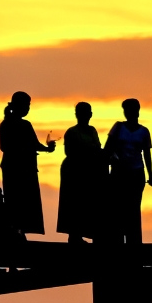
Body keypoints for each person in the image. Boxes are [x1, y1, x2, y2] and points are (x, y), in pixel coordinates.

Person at [0, 91, 55, 237]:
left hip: (27, 167)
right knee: (14, 199)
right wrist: (24, 148)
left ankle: (21, 230)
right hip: (14, 167)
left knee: (26, 201)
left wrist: (47, 148)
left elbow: (34, 144)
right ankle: (14, 229)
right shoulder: (6, 124)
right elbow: (5, 146)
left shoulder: (26, 125)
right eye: (26, 105)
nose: (28, 108)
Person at [106, 98, 152, 242]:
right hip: (118, 173)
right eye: (126, 110)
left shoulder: (144, 131)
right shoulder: (118, 127)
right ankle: (118, 240)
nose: (128, 113)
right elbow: (108, 149)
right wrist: (111, 159)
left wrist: (151, 176)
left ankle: (134, 241)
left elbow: (147, 155)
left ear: (137, 110)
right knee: (118, 208)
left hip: (136, 174)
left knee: (133, 208)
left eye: (131, 109)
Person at [57, 102, 106, 243]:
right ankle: (74, 235)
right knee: (74, 203)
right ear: (77, 114)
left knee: (89, 204)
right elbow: (69, 152)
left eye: (88, 112)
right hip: (74, 172)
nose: (86, 115)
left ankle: (87, 233)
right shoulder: (72, 132)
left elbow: (97, 148)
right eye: (82, 112)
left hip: (90, 172)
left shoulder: (92, 130)